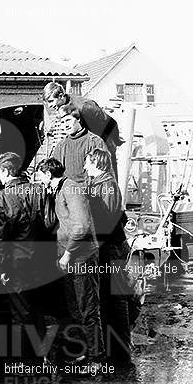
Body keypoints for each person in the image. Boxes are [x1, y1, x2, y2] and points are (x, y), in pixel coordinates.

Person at [0, 152, 65, 356]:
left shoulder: (1, 197)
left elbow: (0, 240)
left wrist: (2, 269)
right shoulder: (39, 191)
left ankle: (22, 360)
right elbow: (51, 224)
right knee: (38, 308)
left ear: (6, 171)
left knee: (20, 313)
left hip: (17, 263)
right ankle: (42, 355)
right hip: (41, 261)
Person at [37, 157, 104, 367]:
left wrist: (67, 254)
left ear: (48, 174)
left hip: (81, 258)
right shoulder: (60, 189)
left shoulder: (71, 189)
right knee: (76, 309)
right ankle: (86, 352)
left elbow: (81, 226)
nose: (39, 181)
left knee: (88, 309)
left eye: (40, 177)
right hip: (71, 258)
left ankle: (97, 358)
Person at [84, 148, 132, 362]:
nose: (85, 167)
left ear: (97, 163)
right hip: (108, 246)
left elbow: (108, 219)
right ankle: (114, 347)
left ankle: (121, 350)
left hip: (111, 247)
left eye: (88, 162)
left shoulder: (108, 186)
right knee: (108, 296)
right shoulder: (98, 184)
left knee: (117, 296)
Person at [43, 82, 122, 177]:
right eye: (47, 103)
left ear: (61, 96)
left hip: (105, 136)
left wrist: (111, 144)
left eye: (51, 101)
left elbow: (107, 126)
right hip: (88, 137)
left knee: (105, 170)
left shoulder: (84, 107)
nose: (49, 106)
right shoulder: (63, 108)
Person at [51, 104, 106, 183]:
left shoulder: (95, 142)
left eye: (68, 120)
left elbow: (102, 174)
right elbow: (55, 175)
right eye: (62, 122)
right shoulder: (61, 146)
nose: (66, 125)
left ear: (78, 119)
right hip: (67, 192)